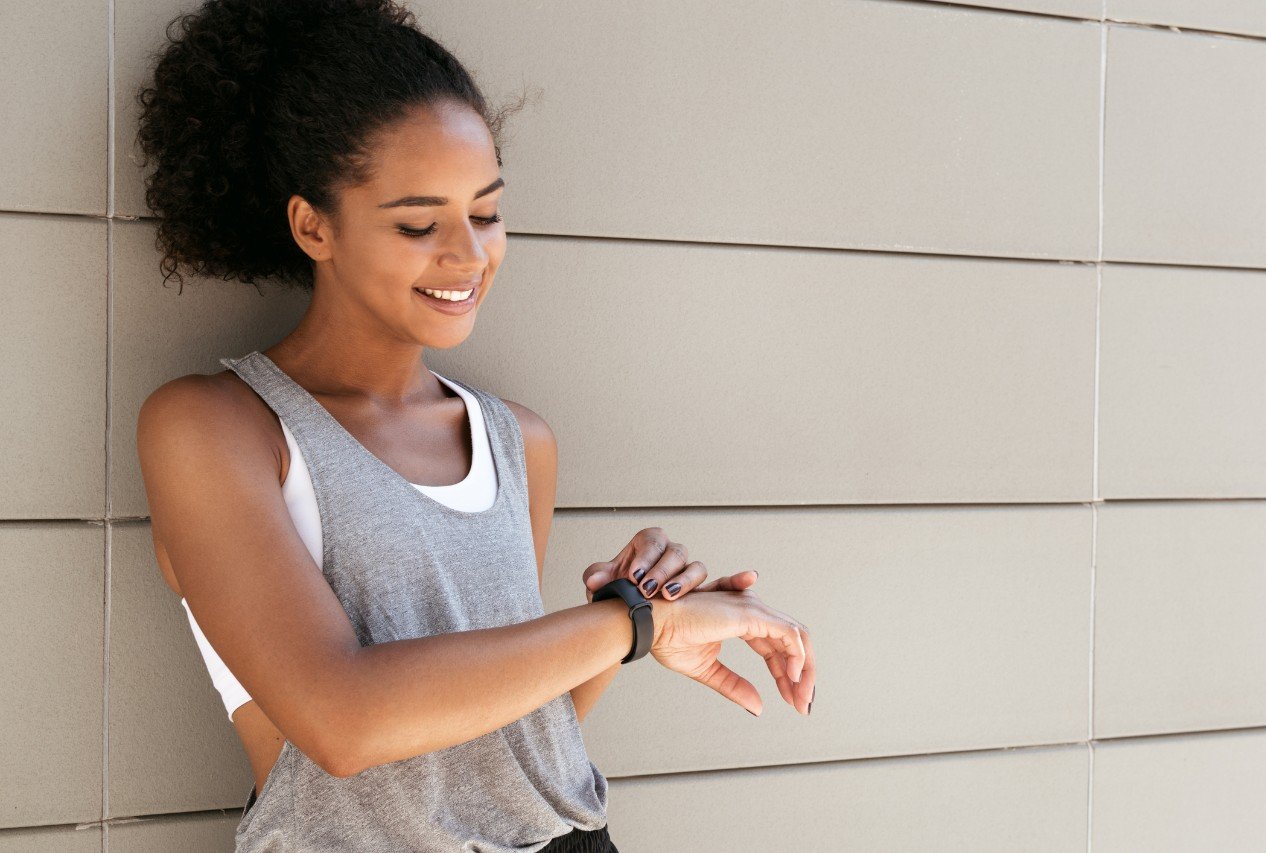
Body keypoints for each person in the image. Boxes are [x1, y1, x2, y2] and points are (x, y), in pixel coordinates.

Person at [132, 1, 817, 850]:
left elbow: (511, 729)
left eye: (486, 213)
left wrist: (629, 615)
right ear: (314, 225)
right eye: (419, 224)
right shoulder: (216, 427)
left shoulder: (515, 440)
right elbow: (342, 721)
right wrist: (633, 624)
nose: (468, 255)